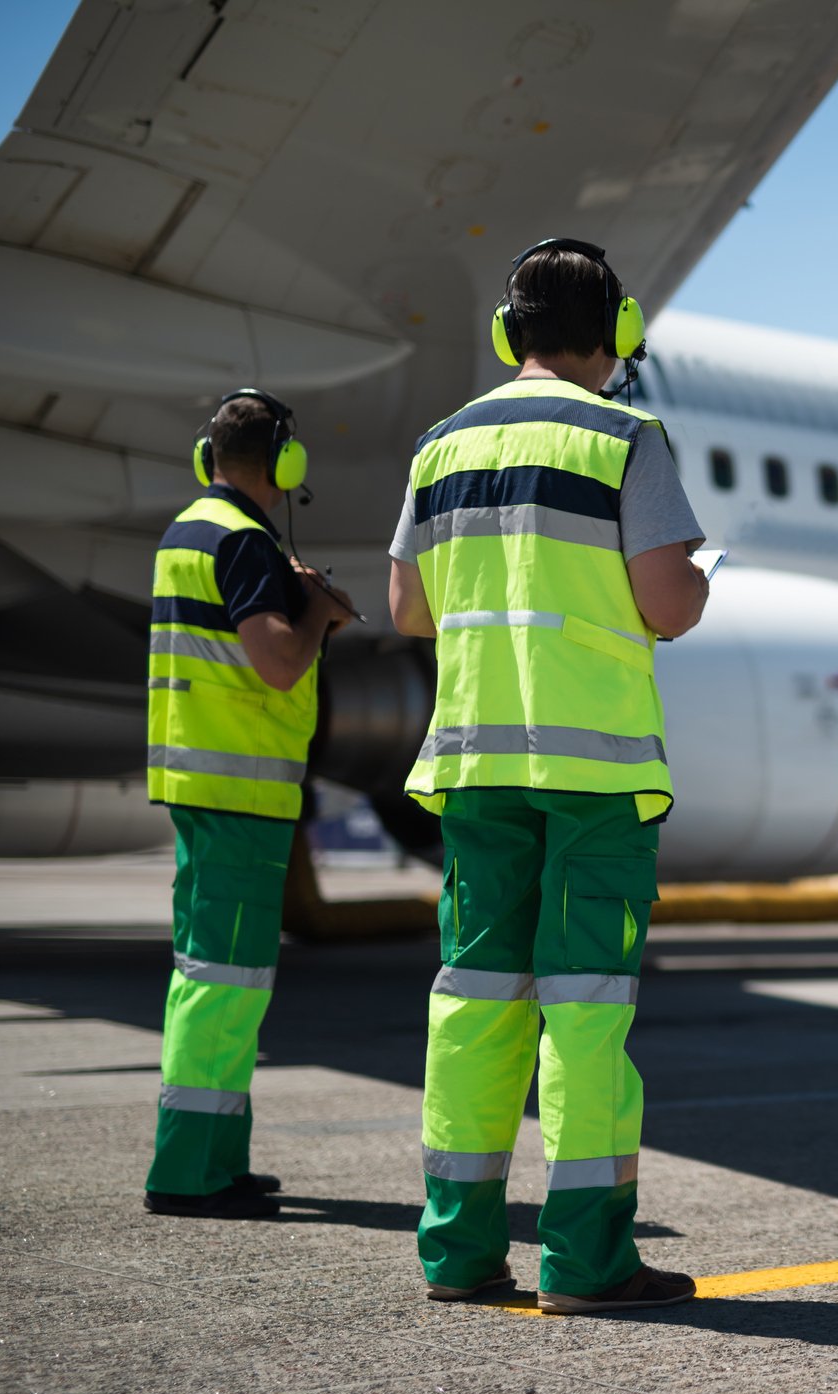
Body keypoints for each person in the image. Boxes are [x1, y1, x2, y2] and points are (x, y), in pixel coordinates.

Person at [388, 237, 711, 1314]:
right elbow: (667, 604)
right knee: (584, 1013)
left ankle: (458, 1251)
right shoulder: (627, 436)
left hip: (477, 763)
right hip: (594, 771)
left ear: (506, 334)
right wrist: (696, 583)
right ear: (615, 335)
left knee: (474, 1004)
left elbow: (408, 612)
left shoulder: (439, 446)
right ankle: (585, 1259)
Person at [143, 389, 354, 1219]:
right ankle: (189, 1172)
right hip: (241, 790)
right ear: (285, 466)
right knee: (224, 983)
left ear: (210, 458)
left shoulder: (188, 530)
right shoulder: (245, 543)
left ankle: (219, 1157)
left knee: (218, 977)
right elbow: (274, 662)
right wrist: (319, 613)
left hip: (202, 782)